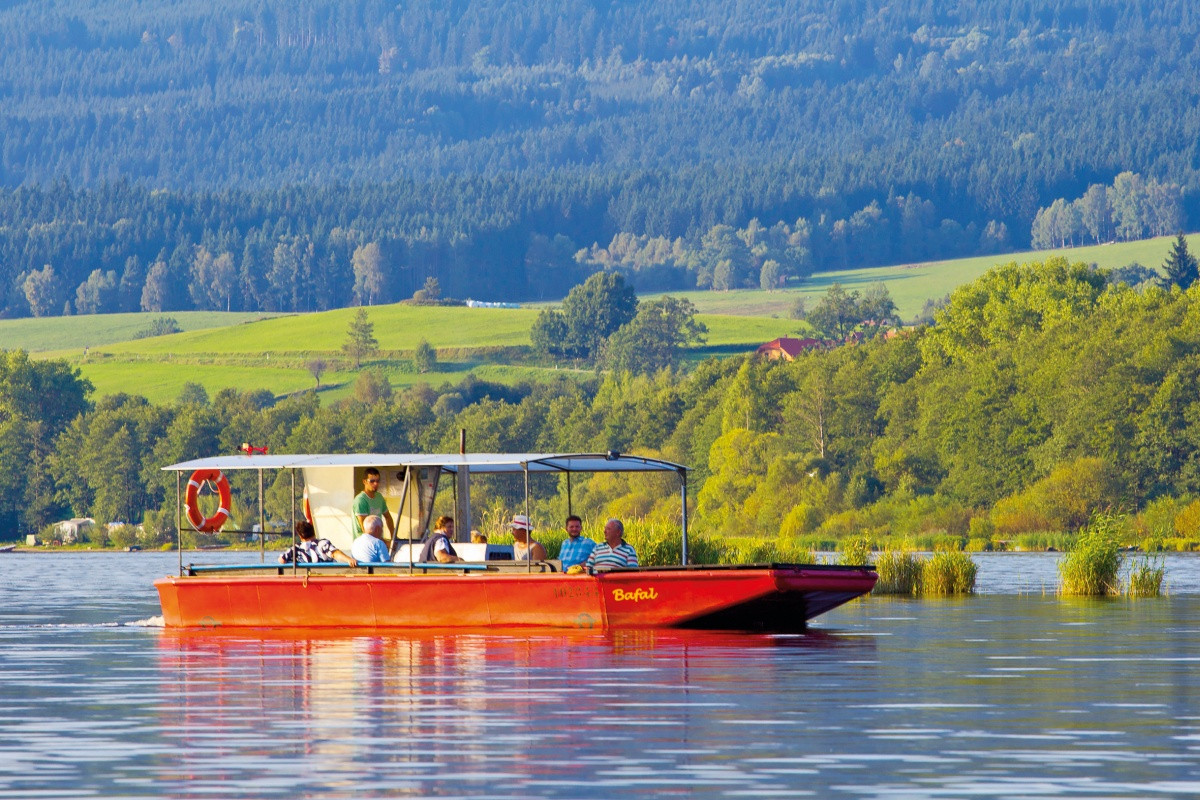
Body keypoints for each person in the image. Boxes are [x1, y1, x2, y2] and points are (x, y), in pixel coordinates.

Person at [279, 520, 357, 567]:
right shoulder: (322, 543)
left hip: (307, 581)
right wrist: (348, 559)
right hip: (327, 579)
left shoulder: (296, 548)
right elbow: (334, 553)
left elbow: (282, 560)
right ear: (313, 531)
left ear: (300, 536)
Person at [352, 468, 396, 540]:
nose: (375, 484)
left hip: (378, 541)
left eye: (377, 481)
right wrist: (385, 543)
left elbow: (388, 517)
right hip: (365, 544)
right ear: (364, 481)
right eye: (372, 481)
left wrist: (393, 537)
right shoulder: (360, 500)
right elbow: (366, 530)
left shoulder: (379, 497)